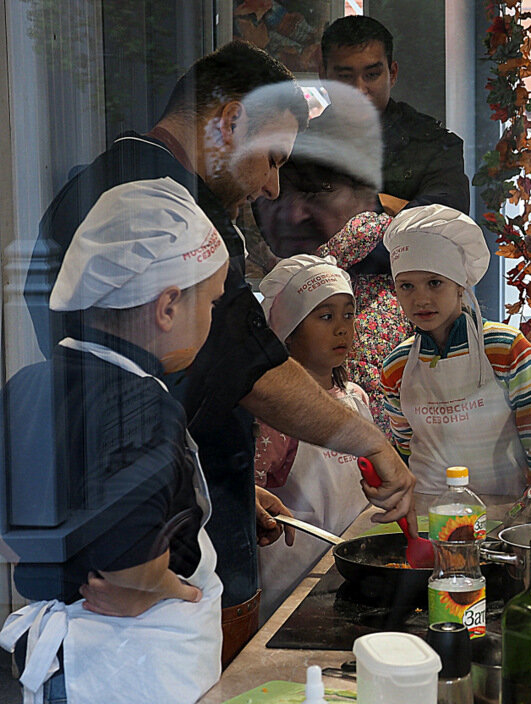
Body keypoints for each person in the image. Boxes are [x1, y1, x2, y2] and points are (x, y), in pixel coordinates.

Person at [24, 40, 416, 663]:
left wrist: (204, 481)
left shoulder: (97, 187)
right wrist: (367, 439)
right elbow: (246, 367)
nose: (271, 184)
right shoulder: (173, 210)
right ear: (229, 122)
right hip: (159, 594)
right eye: (270, 158)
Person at [0, 180, 231, 704]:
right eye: (212, 302)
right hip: (128, 669)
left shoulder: (31, 385)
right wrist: (173, 587)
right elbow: (129, 572)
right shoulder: (144, 407)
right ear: (167, 306)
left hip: (62, 663)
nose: (213, 319)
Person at [253, 82, 410, 434]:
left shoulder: (401, 274)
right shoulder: (279, 281)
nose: (295, 215)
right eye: (281, 198)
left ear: (367, 194)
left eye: (319, 193)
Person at [380, 205, 531, 502]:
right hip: (429, 509)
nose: (420, 298)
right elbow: (405, 444)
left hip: (504, 507)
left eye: (435, 283)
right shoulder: (396, 365)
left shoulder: (505, 348)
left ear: (461, 286)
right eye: (407, 286)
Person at [254, 255, 371, 617]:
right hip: (291, 589)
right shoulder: (275, 417)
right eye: (325, 316)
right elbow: (252, 502)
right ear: (288, 332)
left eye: (348, 314)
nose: (342, 328)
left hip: (353, 574)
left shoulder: (355, 398)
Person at [319, 15, 470, 213]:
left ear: (393, 74)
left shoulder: (434, 146)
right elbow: (286, 222)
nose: (359, 89)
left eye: (372, 75)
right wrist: (391, 207)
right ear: (324, 76)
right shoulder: (296, 146)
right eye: (345, 77)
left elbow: (444, 222)